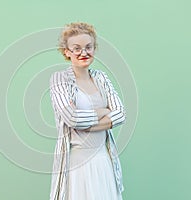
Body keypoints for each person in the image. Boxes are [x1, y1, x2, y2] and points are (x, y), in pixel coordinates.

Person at [49, 22, 126, 200]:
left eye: (88, 47)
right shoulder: (59, 79)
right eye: (76, 48)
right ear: (66, 52)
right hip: (77, 165)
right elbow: (72, 118)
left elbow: (121, 113)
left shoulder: (101, 77)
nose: (84, 53)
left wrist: (88, 125)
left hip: (104, 162)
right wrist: (104, 111)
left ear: (94, 49)